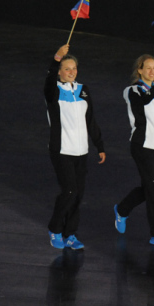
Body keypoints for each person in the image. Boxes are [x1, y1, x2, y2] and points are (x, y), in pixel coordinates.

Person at [45, 44, 105, 250]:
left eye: (74, 68)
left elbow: (91, 120)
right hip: (62, 150)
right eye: (67, 68)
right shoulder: (53, 92)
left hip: (81, 150)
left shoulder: (83, 90)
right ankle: (55, 228)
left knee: (78, 194)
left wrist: (99, 144)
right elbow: (49, 79)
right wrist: (55, 59)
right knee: (69, 191)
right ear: (60, 72)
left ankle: (70, 233)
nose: (72, 72)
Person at [114, 55, 154, 247]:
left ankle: (122, 209)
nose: (152, 71)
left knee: (150, 188)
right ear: (139, 70)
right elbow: (143, 104)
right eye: (147, 68)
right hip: (141, 146)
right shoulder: (132, 91)